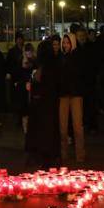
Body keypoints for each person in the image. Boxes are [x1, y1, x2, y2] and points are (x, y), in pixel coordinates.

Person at [25, 40, 61, 168]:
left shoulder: (46, 66)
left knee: (44, 132)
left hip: (43, 104)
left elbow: (44, 84)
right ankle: (47, 156)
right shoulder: (49, 65)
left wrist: (35, 87)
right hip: (46, 103)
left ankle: (46, 157)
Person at [58, 33, 85, 163]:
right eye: (64, 43)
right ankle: (63, 154)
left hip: (75, 94)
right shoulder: (61, 58)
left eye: (68, 43)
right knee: (62, 127)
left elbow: (80, 75)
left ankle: (80, 155)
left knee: (77, 127)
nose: (65, 45)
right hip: (63, 94)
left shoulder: (78, 57)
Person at [75, 27, 99, 134]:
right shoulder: (75, 50)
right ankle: (84, 124)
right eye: (79, 36)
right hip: (80, 82)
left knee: (91, 104)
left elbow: (95, 63)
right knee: (82, 105)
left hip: (90, 81)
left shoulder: (92, 48)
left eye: (83, 35)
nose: (82, 38)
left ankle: (92, 125)